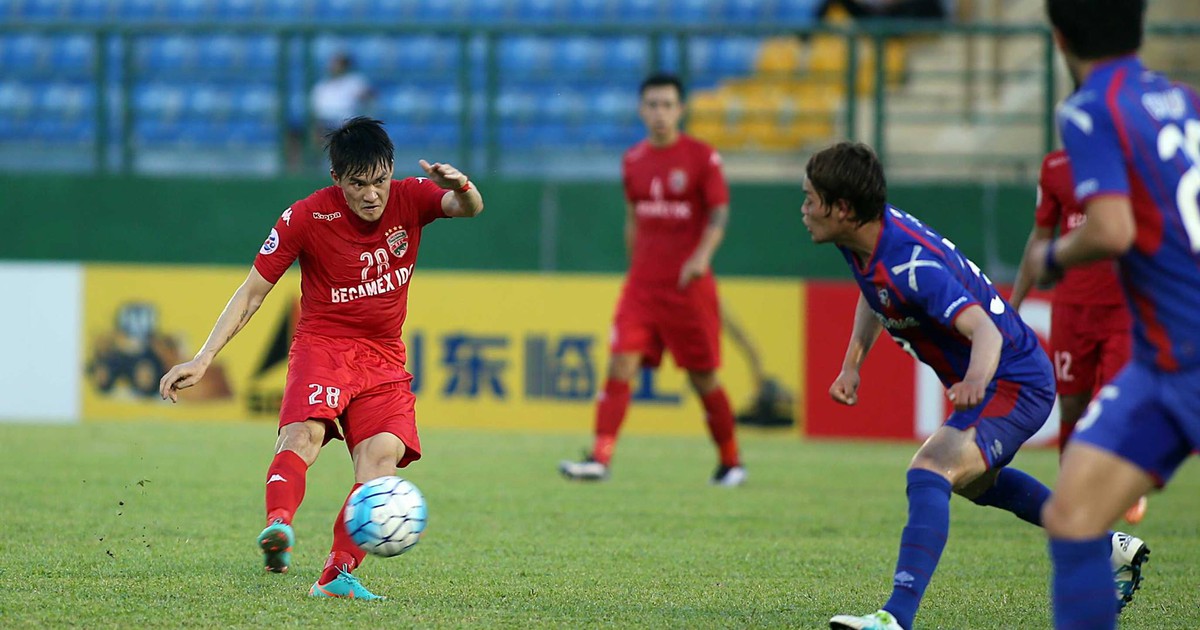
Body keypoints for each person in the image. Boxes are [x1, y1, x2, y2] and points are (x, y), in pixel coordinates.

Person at [800, 142, 1146, 630]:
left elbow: (983, 328)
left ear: (842, 209)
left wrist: (975, 382)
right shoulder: (865, 238)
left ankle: (894, 617)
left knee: (930, 469)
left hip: (1013, 378)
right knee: (974, 483)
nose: (804, 210)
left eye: (810, 199)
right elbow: (872, 291)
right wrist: (852, 362)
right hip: (1003, 375)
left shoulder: (910, 265)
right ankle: (1102, 545)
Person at [157, 117, 484, 600]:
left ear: (390, 170)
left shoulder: (411, 196)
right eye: (358, 184)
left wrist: (464, 186)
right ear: (337, 180)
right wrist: (204, 357)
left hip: (384, 357)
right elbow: (251, 294)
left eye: (379, 180)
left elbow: (466, 207)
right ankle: (279, 528)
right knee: (303, 435)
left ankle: (336, 575)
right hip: (323, 346)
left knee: (381, 460)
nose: (372, 194)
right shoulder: (306, 216)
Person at [1030, 0, 1200, 627]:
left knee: (1073, 518)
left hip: (1184, 354)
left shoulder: (1088, 108)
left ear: (1059, 36)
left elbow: (1110, 228)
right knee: (1072, 514)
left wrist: (1052, 256)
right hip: (1165, 362)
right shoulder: (1183, 101)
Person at [558, 73, 745, 486]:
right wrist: (635, 266)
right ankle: (600, 458)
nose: (660, 113)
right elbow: (633, 219)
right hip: (643, 286)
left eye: (667, 105)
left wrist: (701, 257)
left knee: (703, 377)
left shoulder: (702, 157)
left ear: (680, 110)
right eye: (653, 105)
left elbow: (718, 213)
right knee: (621, 361)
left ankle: (731, 461)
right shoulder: (633, 160)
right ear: (642, 110)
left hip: (688, 288)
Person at [1010, 149, 1147, 524]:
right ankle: (1072, 491)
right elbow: (1039, 239)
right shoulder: (1055, 168)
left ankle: (1124, 486)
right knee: (1072, 404)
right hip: (1072, 306)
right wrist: (1013, 304)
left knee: (1113, 403)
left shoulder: (1131, 162)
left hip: (1123, 306)